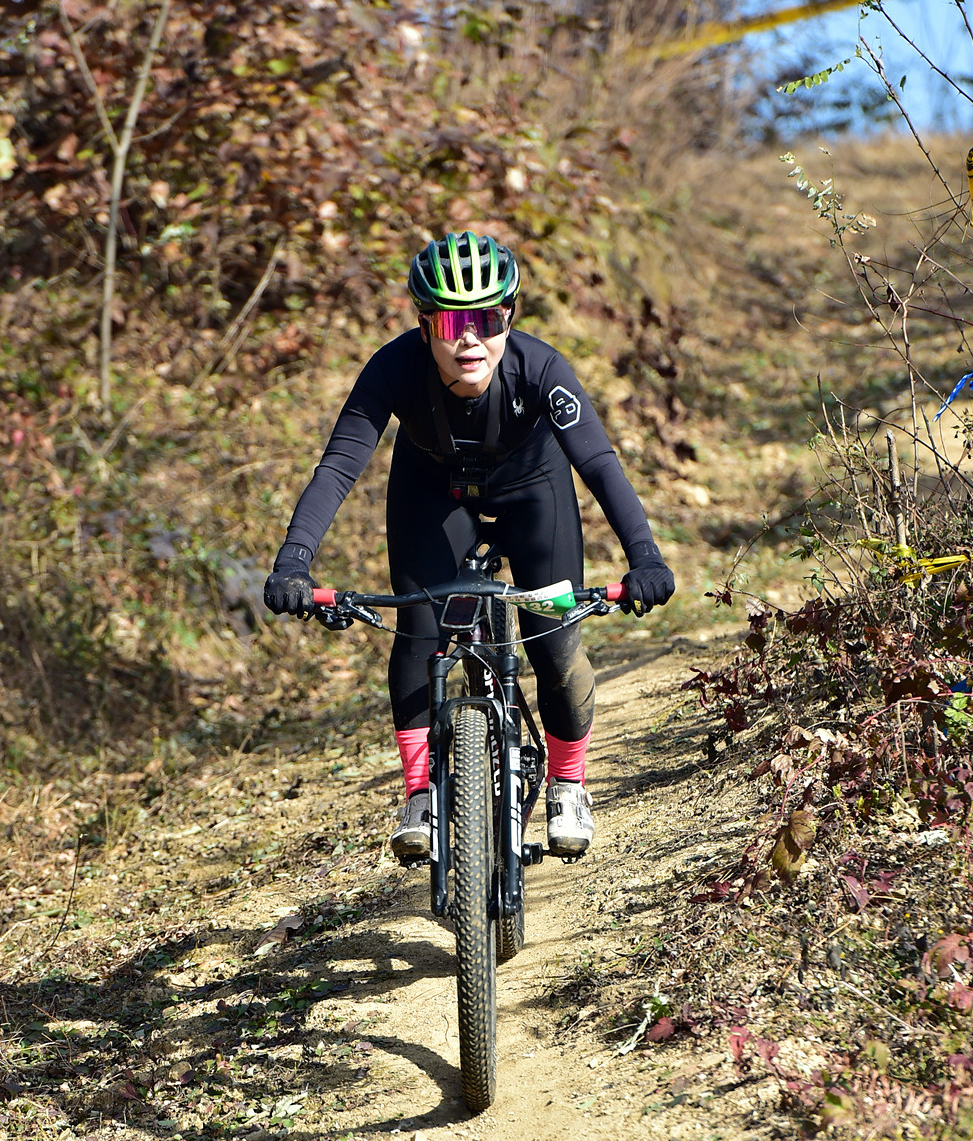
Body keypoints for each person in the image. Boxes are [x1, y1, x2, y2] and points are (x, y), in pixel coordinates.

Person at [264, 232, 675, 864]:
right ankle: (421, 795)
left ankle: (568, 783)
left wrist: (644, 556)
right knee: (419, 631)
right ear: (424, 325)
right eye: (453, 323)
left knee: (554, 640)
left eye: (487, 320)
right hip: (431, 491)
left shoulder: (541, 369)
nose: (470, 339)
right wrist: (293, 561)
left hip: (533, 491)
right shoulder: (393, 369)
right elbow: (340, 467)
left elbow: (597, 463)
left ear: (508, 317)